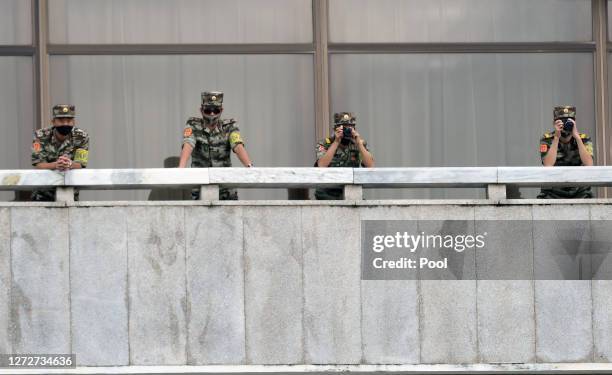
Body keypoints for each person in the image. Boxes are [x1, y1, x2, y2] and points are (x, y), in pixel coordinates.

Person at [178, 91, 253, 200]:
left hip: (226, 187)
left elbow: (237, 145)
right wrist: (181, 167)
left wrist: (249, 167)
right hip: (200, 186)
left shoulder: (229, 126)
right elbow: (188, 143)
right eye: (208, 110)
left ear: (221, 110)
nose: (212, 114)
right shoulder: (193, 125)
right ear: (201, 110)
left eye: (215, 110)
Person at [31, 104, 89, 201]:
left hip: (69, 192)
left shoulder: (81, 137)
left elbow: (81, 164)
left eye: (69, 121)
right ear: (53, 122)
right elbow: (38, 164)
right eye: (61, 121)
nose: (65, 124)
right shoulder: (40, 136)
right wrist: (56, 165)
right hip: (43, 192)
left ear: (73, 122)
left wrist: (69, 164)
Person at [314, 112, 374, 200]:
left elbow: (370, 166)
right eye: (344, 126)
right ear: (335, 128)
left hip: (351, 193)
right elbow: (322, 165)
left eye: (350, 126)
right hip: (326, 193)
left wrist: (359, 144)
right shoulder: (325, 143)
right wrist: (336, 142)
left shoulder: (359, 143)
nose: (347, 129)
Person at [538, 105, 594, 199]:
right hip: (553, 190)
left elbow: (589, 164)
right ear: (554, 123)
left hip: (579, 190)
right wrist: (556, 137)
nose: (564, 124)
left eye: (568, 121)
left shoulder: (584, 139)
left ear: (574, 122)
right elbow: (548, 164)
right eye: (561, 121)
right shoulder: (547, 139)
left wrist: (577, 137)